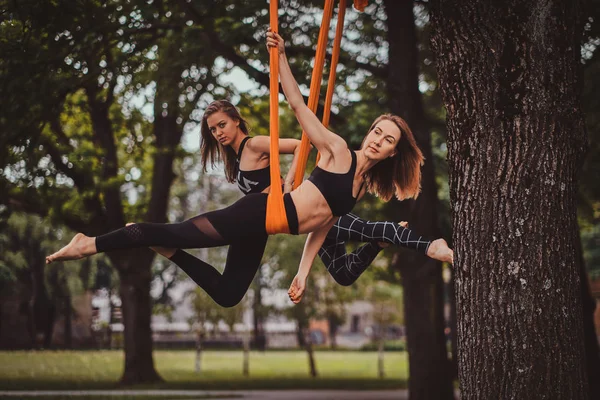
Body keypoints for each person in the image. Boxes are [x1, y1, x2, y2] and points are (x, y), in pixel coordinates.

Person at [46, 32, 453, 308]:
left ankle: (168, 252)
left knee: (228, 293)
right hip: (260, 212)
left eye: (388, 140)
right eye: (378, 132)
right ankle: (90, 243)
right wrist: (280, 61)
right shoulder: (339, 151)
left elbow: (323, 225)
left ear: (393, 153)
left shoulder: (361, 185)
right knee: (166, 230)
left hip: (273, 225)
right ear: (369, 133)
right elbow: (298, 107)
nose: (379, 140)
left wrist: (303, 273)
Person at [151, 99, 440, 296]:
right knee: (342, 274)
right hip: (300, 222)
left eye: (222, 125)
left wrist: (288, 180)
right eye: (213, 130)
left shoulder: (255, 145)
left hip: (313, 204)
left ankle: (411, 240)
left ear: (236, 121)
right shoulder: (236, 162)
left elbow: (303, 143)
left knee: (359, 227)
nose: (217, 133)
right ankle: (379, 242)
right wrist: (301, 273)